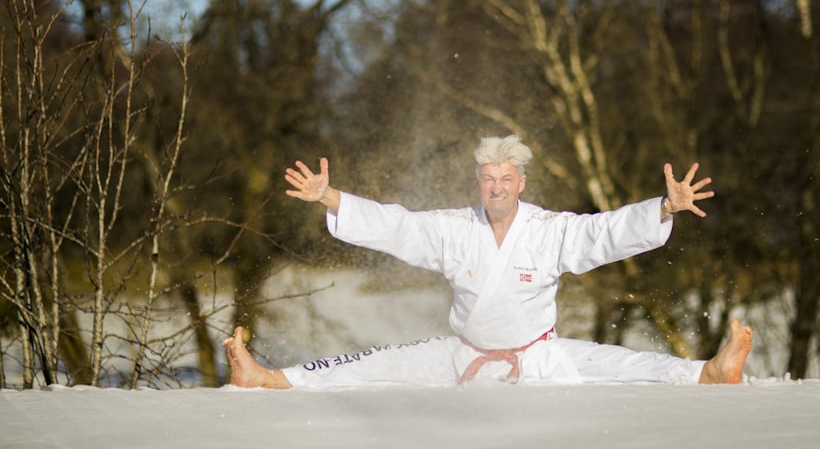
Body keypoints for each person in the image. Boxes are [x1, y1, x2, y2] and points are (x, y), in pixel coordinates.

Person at [225, 135, 752, 389]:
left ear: (521, 183)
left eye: (507, 180)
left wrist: (665, 207)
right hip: (463, 355)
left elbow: (604, 232)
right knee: (369, 366)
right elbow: (398, 227)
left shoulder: (550, 231)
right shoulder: (455, 228)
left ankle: (711, 370)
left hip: (540, 359)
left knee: (623, 363)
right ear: (478, 183)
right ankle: (267, 379)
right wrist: (330, 197)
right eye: (488, 180)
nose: (497, 189)